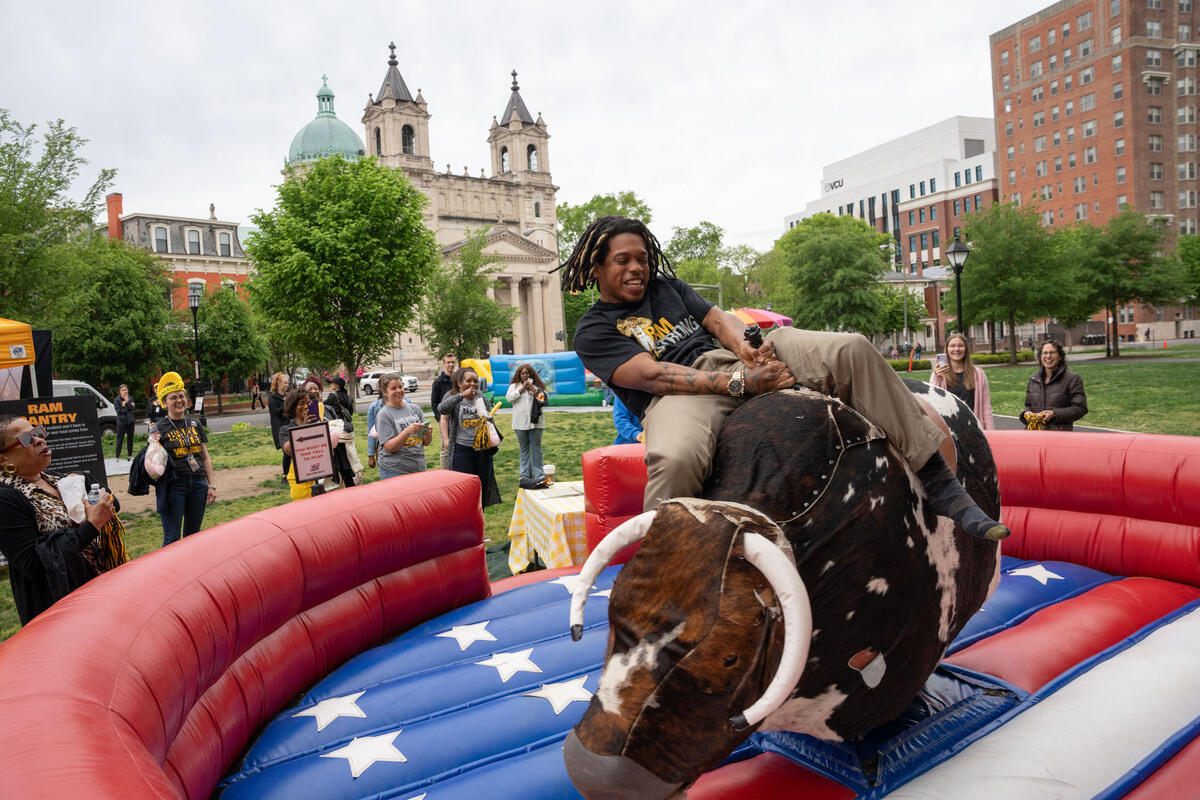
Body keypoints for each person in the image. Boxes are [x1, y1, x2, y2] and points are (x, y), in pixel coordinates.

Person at [562, 216, 1008, 541]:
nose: (637, 268)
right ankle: (663, 560)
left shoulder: (669, 288)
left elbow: (720, 322)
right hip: (685, 392)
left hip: (735, 360)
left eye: (642, 258)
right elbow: (656, 376)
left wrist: (748, 350)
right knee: (676, 458)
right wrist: (742, 383)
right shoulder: (594, 329)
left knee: (850, 347)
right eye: (623, 260)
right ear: (597, 268)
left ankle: (939, 481)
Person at [0, 415, 123, 625]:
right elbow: (35, 565)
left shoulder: (55, 479)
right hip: (60, 609)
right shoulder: (6, 498)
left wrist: (90, 484)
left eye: (38, 433)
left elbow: (115, 505)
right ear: (4, 460)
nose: (39, 440)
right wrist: (91, 526)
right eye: (27, 439)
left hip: (96, 586)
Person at [153, 371, 215, 546]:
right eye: (173, 398)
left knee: (193, 537)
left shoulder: (195, 424)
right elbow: (153, 462)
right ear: (165, 403)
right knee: (172, 539)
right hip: (174, 487)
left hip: (198, 485)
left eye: (182, 396)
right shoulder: (159, 428)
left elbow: (205, 458)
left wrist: (211, 485)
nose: (179, 400)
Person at [438, 367, 502, 507]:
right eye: (468, 381)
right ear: (460, 383)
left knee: (482, 487)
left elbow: (488, 419)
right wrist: (462, 396)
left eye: (475, 381)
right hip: (461, 449)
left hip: (482, 449)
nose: (473, 384)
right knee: (464, 488)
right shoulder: (452, 396)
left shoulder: (480, 396)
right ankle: (464, 519)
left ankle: (480, 517)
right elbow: (442, 409)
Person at [930, 332, 995, 429]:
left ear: (966, 349)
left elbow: (986, 406)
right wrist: (937, 378)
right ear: (947, 350)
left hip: (973, 429)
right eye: (952, 346)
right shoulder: (939, 374)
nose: (956, 349)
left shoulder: (978, 374)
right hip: (950, 430)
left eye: (960, 346)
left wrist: (990, 431)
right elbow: (932, 401)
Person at [1021, 340, 1088, 431]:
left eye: (1052, 352)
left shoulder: (1072, 379)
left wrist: (1054, 414)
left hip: (1059, 435)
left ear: (1060, 356)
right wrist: (1026, 413)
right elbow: (1028, 405)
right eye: (1045, 353)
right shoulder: (1033, 379)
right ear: (1040, 357)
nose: (1048, 356)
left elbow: (1080, 408)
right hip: (1035, 435)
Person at [374, 373, 432, 479]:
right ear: (385, 392)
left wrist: (428, 433)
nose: (398, 391)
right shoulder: (384, 414)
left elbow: (426, 442)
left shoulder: (415, 409)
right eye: (393, 388)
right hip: (395, 470)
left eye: (400, 387)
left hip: (418, 467)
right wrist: (407, 431)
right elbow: (390, 448)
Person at [277, 387, 329, 500]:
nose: (305, 407)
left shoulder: (318, 425)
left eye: (308, 403)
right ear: (293, 407)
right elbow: (288, 450)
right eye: (301, 404)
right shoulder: (285, 429)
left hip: (322, 478)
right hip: (300, 482)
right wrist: (304, 429)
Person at [506, 363, 549, 487]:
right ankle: (524, 475)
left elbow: (544, 400)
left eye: (527, 373)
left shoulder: (538, 385)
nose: (525, 375)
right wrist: (522, 389)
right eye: (523, 373)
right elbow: (509, 398)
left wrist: (534, 390)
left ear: (531, 374)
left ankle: (539, 475)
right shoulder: (514, 386)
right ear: (519, 375)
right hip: (520, 422)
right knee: (524, 448)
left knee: (536, 448)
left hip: (536, 423)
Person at [323, 376, 359, 487]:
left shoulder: (332, 396)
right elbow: (350, 413)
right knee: (349, 453)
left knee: (340, 456)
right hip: (347, 428)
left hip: (336, 428)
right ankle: (353, 477)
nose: (331, 385)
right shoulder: (348, 397)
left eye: (332, 383)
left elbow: (323, 408)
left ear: (337, 385)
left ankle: (344, 479)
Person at [430, 354, 458, 470]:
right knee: (445, 447)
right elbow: (434, 402)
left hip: (457, 419)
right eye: (448, 362)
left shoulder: (458, 379)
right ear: (444, 364)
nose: (451, 364)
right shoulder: (439, 382)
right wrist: (439, 419)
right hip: (444, 420)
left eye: (452, 362)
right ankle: (445, 472)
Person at [267, 372, 291, 484]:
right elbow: (276, 412)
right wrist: (285, 403)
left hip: (290, 424)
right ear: (279, 383)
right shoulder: (272, 397)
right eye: (285, 382)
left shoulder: (288, 395)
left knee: (292, 451)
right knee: (287, 452)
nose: (287, 385)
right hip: (280, 427)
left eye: (288, 383)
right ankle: (285, 476)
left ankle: (292, 473)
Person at [114, 384, 137, 460]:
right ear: (119, 391)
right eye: (122, 390)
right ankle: (117, 456)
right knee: (120, 439)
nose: (124, 391)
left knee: (130, 439)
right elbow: (119, 411)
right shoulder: (117, 400)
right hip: (121, 423)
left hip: (130, 422)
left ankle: (129, 456)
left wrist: (127, 402)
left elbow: (133, 408)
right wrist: (128, 407)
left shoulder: (130, 398)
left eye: (125, 390)